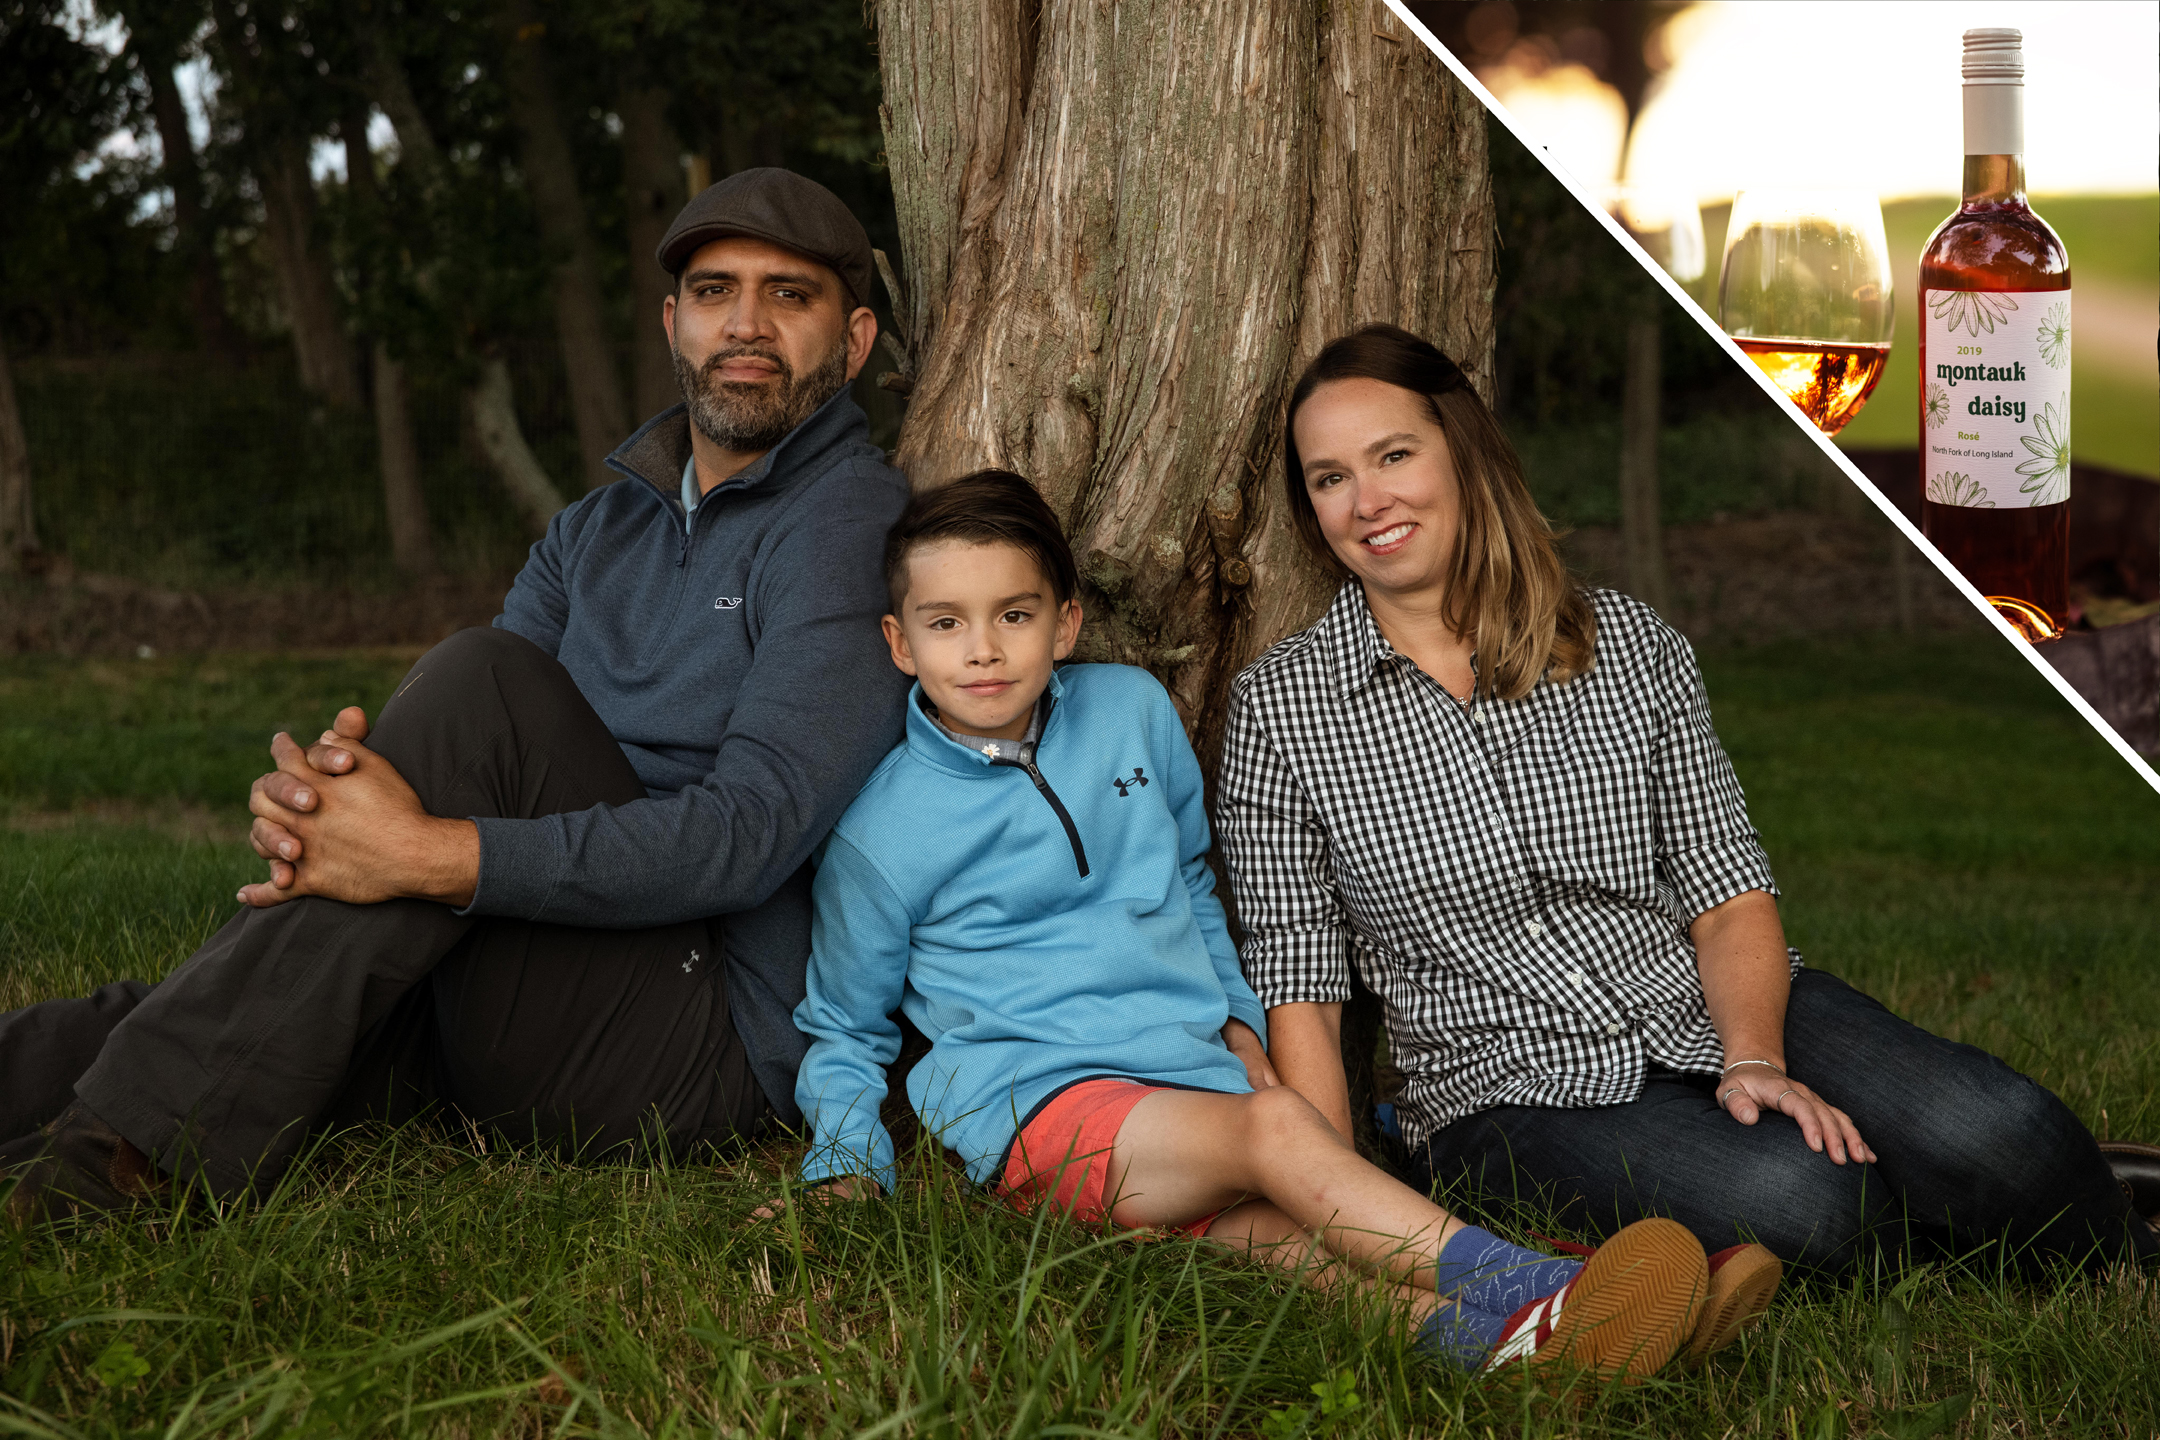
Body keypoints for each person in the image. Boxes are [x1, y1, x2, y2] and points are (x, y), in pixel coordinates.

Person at [0, 168, 913, 1221]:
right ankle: (82, 1115)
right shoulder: (593, 530)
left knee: (480, 678)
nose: (745, 324)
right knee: (208, 1010)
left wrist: (431, 855)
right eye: (715, 292)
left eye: (788, 296)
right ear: (674, 322)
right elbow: (450, 753)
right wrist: (331, 814)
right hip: (521, 974)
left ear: (852, 345)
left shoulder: (850, 526)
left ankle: (114, 1173)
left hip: (689, 1036)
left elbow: (750, 835)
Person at [1213, 322, 2160, 1280]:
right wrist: (1336, 1208)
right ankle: (1991, 1220)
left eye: (1394, 455)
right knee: (1802, 1202)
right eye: (1330, 477)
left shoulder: (1625, 644)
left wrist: (1753, 1058)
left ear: (1461, 450)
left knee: (1997, 1127)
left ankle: (2087, 1224)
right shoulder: (1282, 707)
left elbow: (1729, 895)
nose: (1368, 501)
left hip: (1706, 1006)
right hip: (1506, 1094)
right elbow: (1305, 993)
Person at [783, 469, 1739, 1381]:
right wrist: (846, 1163)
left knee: (1315, 1257)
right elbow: (844, 1025)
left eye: (1015, 615)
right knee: (1280, 1129)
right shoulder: (883, 832)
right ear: (901, 643)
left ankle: (1534, 1354)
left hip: (1190, 1081)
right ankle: (1554, 1289)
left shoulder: (1130, 713)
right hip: (1045, 1111)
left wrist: (1236, 1019)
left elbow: (1190, 877)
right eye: (946, 624)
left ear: (1066, 622)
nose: (982, 649)